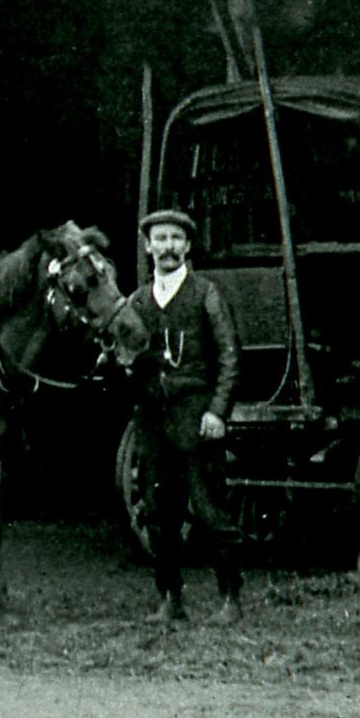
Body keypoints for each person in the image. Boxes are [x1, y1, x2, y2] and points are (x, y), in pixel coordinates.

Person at [125, 208, 244, 625]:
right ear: (148, 246)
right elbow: (122, 358)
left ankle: (230, 598)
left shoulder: (206, 293)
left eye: (176, 239)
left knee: (210, 509)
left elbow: (230, 356)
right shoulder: (136, 302)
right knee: (159, 512)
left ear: (188, 246)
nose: (168, 247)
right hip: (153, 419)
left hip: (195, 414)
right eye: (160, 239)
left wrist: (217, 411)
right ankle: (170, 599)